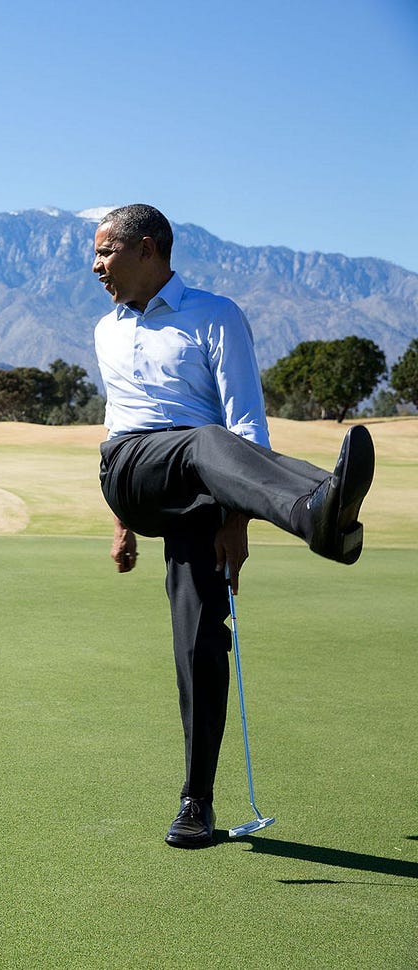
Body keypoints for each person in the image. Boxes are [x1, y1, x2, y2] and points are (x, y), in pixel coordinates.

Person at [90, 204, 374, 849]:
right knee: (203, 441)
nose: (97, 267)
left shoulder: (214, 315)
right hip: (132, 469)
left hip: (207, 485)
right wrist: (120, 523)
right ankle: (313, 510)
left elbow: (248, 424)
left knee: (199, 638)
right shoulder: (106, 330)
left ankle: (197, 803)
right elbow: (116, 421)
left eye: (106, 252)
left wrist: (236, 520)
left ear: (148, 249)